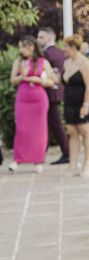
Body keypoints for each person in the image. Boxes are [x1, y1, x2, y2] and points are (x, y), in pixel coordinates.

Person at [8, 36, 55, 173]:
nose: (20, 49)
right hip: (23, 99)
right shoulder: (19, 61)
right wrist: (21, 77)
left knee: (39, 131)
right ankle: (17, 159)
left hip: (39, 100)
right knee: (21, 129)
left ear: (31, 47)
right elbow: (12, 80)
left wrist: (39, 80)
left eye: (23, 46)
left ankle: (38, 160)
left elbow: (51, 81)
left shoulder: (43, 62)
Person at [62, 34, 89, 178]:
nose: (63, 49)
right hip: (69, 102)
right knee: (72, 132)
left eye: (65, 47)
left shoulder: (85, 63)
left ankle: (88, 163)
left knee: (85, 130)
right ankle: (72, 165)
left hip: (83, 101)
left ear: (72, 47)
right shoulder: (67, 63)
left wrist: (86, 105)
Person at [37, 27, 70, 165]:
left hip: (49, 92)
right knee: (51, 124)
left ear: (50, 37)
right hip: (58, 91)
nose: (38, 40)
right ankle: (40, 154)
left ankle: (67, 152)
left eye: (41, 37)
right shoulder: (61, 53)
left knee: (55, 124)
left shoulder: (45, 54)